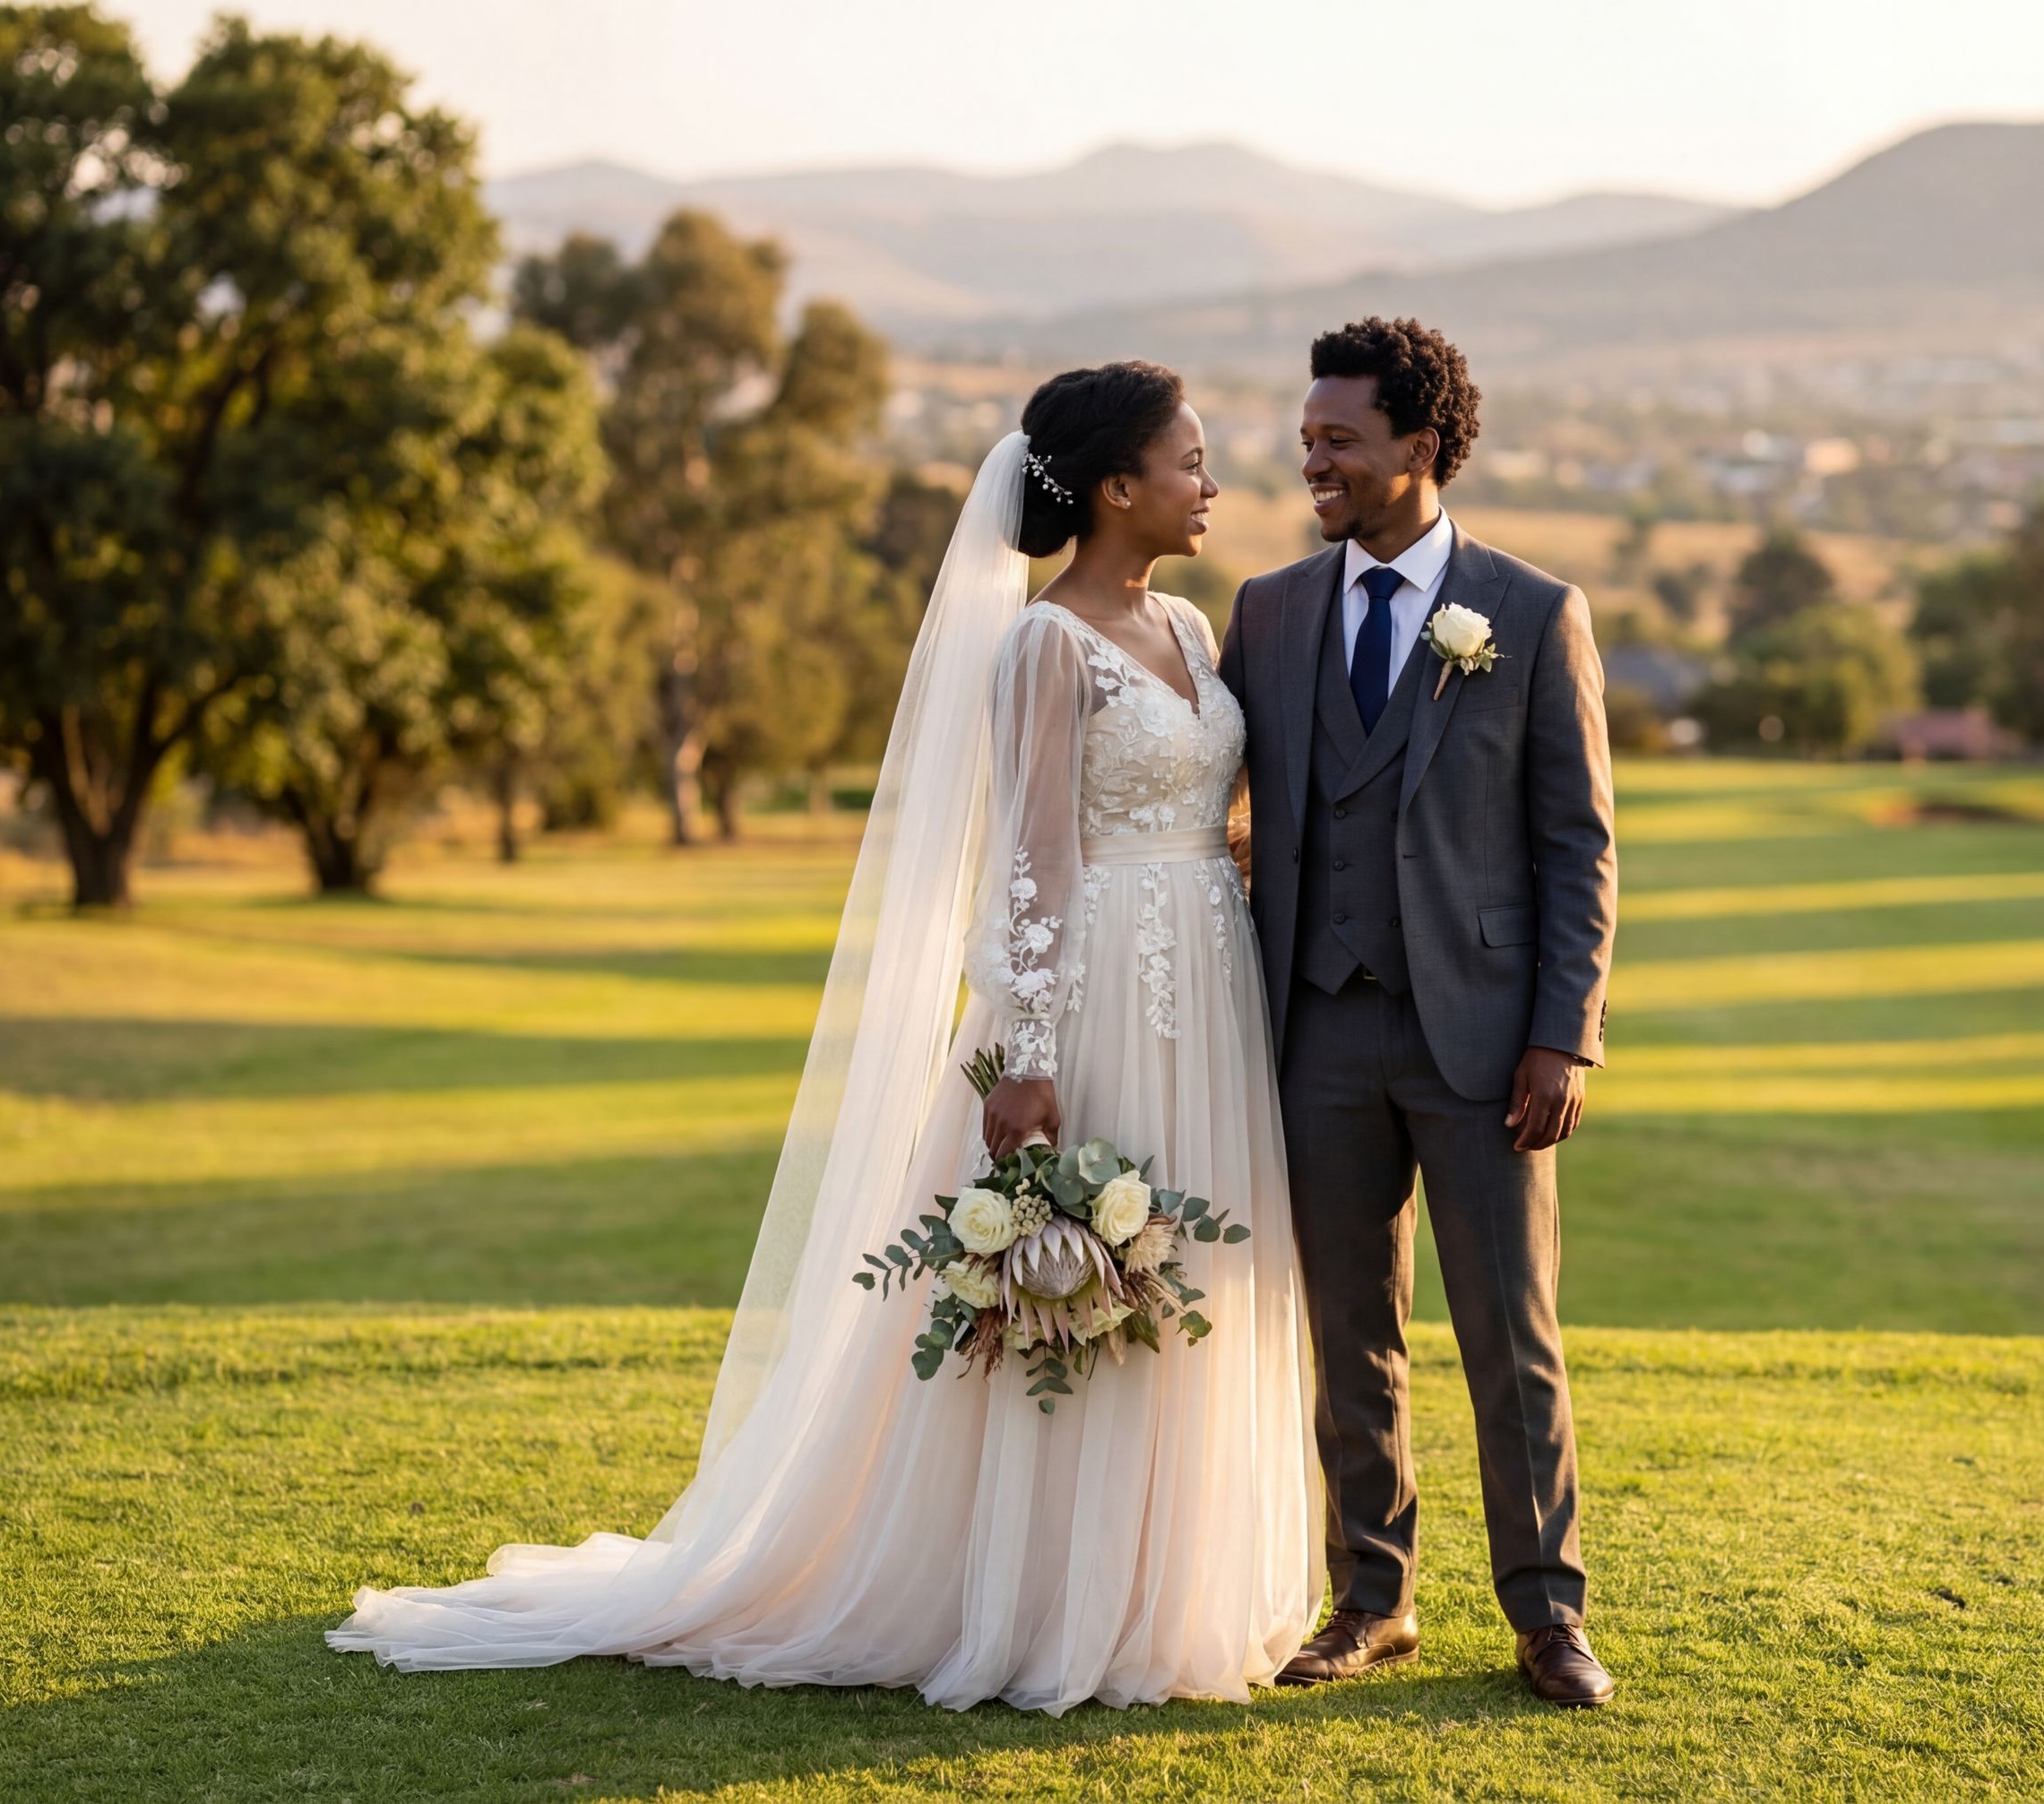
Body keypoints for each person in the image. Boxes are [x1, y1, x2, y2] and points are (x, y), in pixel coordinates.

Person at [328, 362, 1321, 1714]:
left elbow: (1208, 810)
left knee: (1189, 1274)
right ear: (1114, 488)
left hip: (1205, 990)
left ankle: (1167, 1586)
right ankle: (1051, 1602)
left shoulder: (1196, 633)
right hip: (1095, 1008)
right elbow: (1035, 855)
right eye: (1191, 461)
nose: (1212, 484)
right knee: (1085, 1285)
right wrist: (1026, 1049)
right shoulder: (1045, 644)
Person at [1218, 316, 1620, 1707]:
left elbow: (1580, 846)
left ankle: (1547, 1616)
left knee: (1510, 1336)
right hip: (1315, 1032)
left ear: (1420, 448)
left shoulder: (1533, 610)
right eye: (1309, 434)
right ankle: (1371, 1599)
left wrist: (1566, 1030)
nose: (1310, 458)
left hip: (1486, 1041)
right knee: (1352, 1334)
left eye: (1339, 438)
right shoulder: (1267, 608)